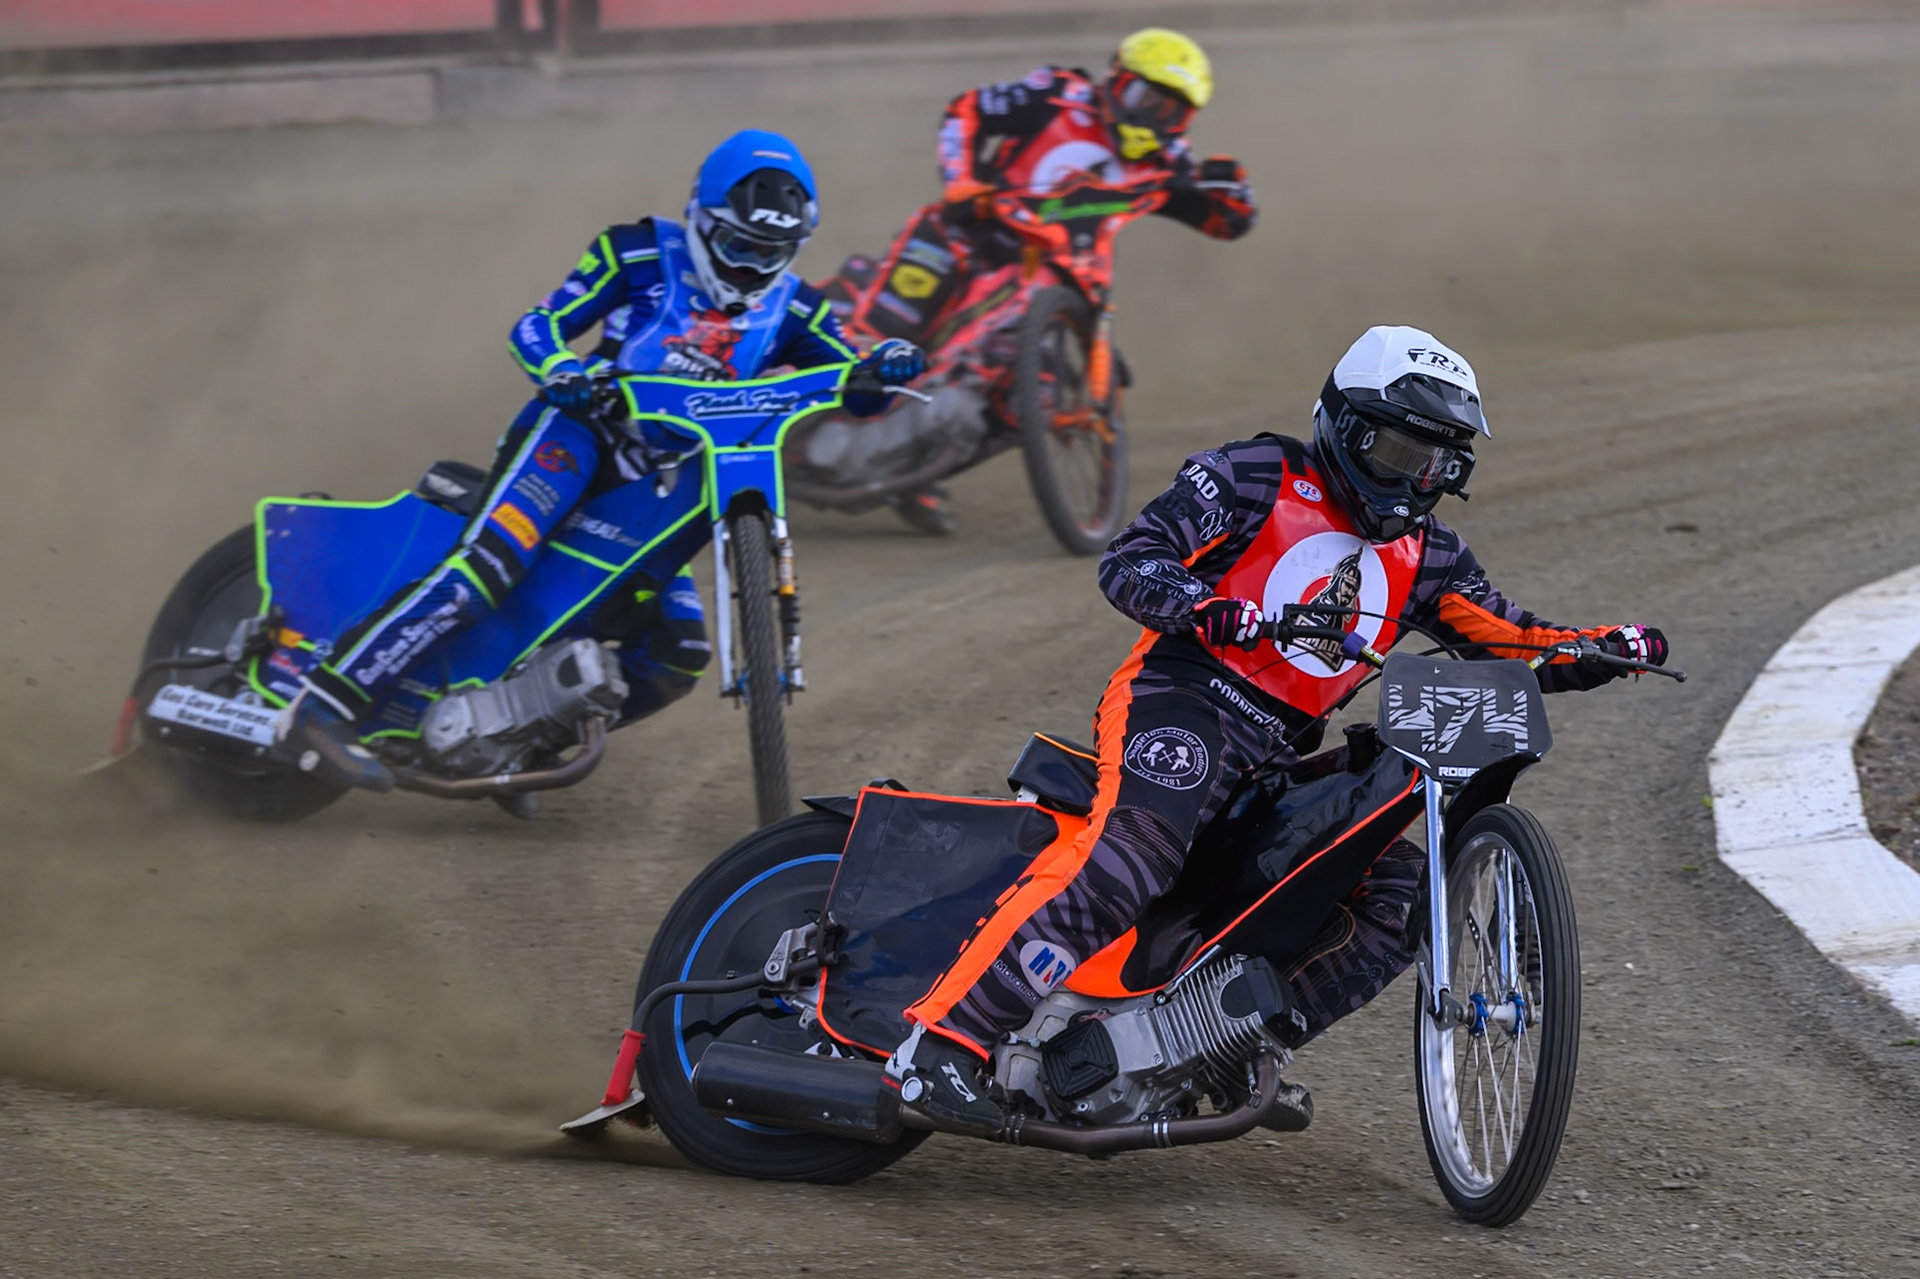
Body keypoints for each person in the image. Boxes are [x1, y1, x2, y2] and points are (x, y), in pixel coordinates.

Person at [886, 325, 1670, 1134]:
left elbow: (1508, 636)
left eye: (1437, 464)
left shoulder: (1430, 554)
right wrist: (1205, 607)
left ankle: (1219, 1049)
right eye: (1400, 453)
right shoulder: (1253, 474)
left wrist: (1601, 647)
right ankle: (939, 1043)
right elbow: (1132, 558)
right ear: (1347, 426)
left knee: (1395, 889)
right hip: (1179, 698)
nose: (1414, 481)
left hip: (1270, 755)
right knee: (1137, 852)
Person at [278, 129, 926, 791]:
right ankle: (325, 704)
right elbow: (537, 325)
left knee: (678, 655)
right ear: (703, 220)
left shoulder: (799, 306)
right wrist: (559, 368)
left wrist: (885, 367)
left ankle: (518, 742)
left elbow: (857, 384)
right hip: (578, 434)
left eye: (774, 253)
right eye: (737, 247)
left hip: (661, 481)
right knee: (487, 568)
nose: (751, 270)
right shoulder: (638, 251)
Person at [843, 27, 1256, 533]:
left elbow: (1223, 221)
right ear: (1116, 78)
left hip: (1063, 288)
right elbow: (965, 111)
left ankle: (911, 470)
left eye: (1170, 110)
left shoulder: (1166, 162)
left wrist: (1235, 199)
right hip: (969, 235)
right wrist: (961, 181)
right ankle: (825, 384)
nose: (1152, 116)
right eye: (1143, 97)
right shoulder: (1056, 94)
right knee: (890, 327)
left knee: (1028, 407)